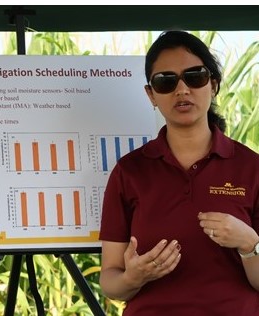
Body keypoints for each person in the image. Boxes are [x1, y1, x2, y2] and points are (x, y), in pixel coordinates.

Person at [99, 30, 259, 314]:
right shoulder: (130, 171)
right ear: (151, 94)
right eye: (166, 81)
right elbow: (110, 279)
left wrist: (249, 244)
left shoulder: (251, 168)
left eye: (194, 76)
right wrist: (132, 277)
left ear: (214, 85)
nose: (181, 90)